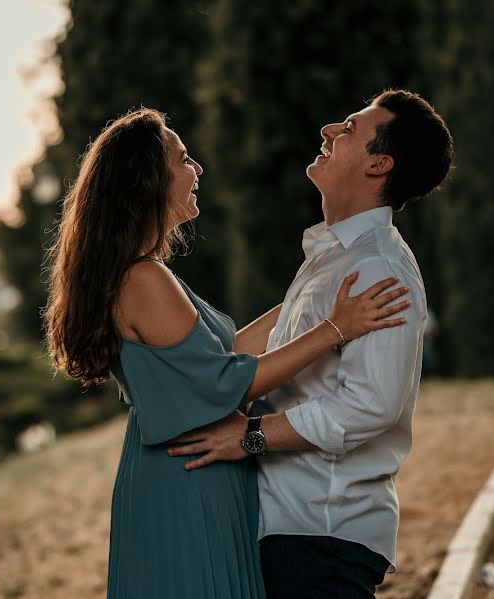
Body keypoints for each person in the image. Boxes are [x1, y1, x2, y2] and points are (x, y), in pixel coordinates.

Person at [43, 108, 412, 599]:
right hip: (187, 478)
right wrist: (332, 329)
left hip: (196, 470)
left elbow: (229, 349)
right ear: (147, 180)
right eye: (183, 159)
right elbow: (223, 380)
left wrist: (315, 295)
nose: (197, 170)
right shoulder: (145, 279)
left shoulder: (148, 274)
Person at [167, 90, 454, 598]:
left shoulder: (378, 269)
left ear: (379, 163)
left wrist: (249, 435)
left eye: (348, 129)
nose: (327, 130)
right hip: (289, 528)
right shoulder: (333, 258)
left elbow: (372, 403)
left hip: (321, 533)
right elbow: (256, 355)